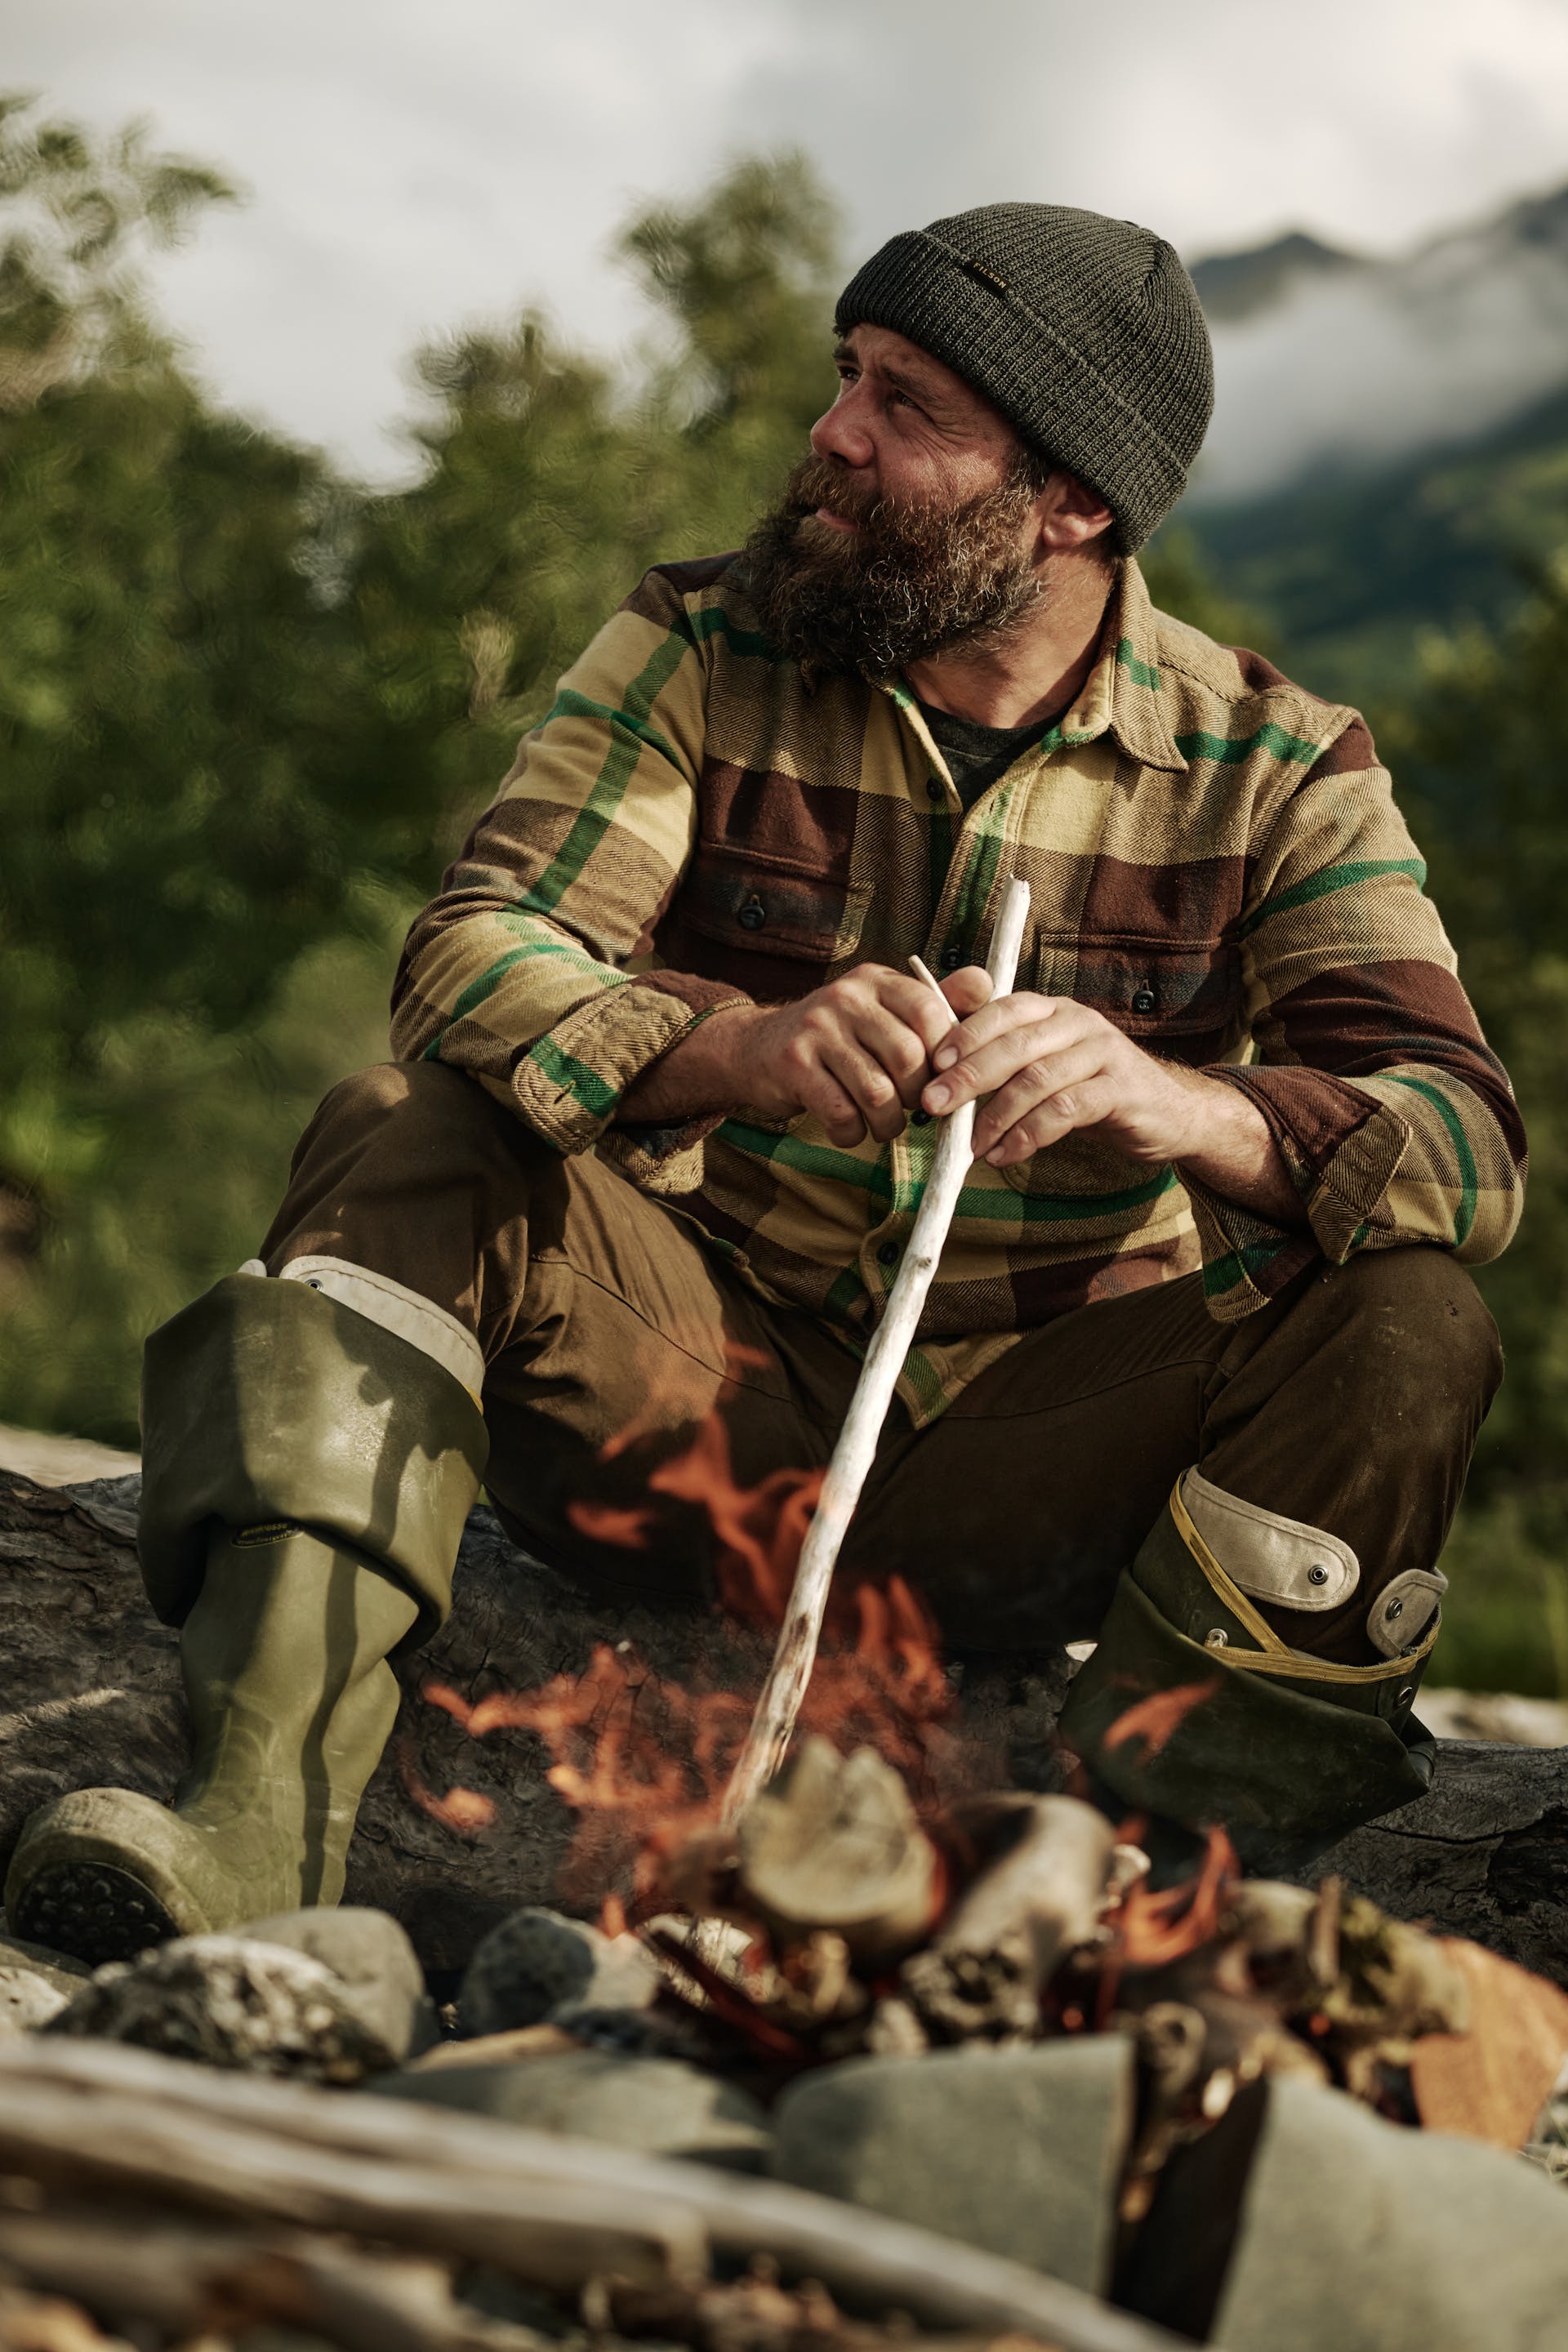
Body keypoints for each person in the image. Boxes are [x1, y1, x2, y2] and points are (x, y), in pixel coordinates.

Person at [8, 203, 1524, 1962]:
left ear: (1072, 502)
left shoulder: (1277, 765)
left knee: (1412, 1320)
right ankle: (255, 1819)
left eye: (905, 403)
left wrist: (1186, 1106)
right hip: (687, 1404)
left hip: (1041, 1468)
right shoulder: (698, 642)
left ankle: (1149, 1932)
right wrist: (726, 1048)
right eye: (846, 374)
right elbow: (475, 953)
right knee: (403, 1128)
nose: (833, 431)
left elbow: (1466, 1143)